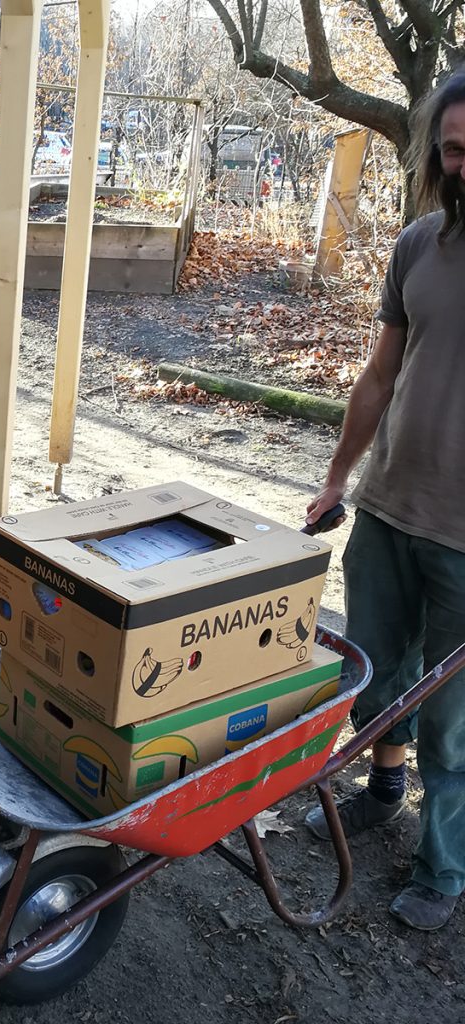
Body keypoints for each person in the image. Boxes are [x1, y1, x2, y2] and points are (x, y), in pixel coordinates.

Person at [303, 71, 465, 931]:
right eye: (454, 150)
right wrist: (339, 477)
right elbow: (378, 375)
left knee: (453, 719)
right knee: (372, 669)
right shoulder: (417, 247)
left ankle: (443, 868)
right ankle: (382, 784)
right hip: (390, 505)